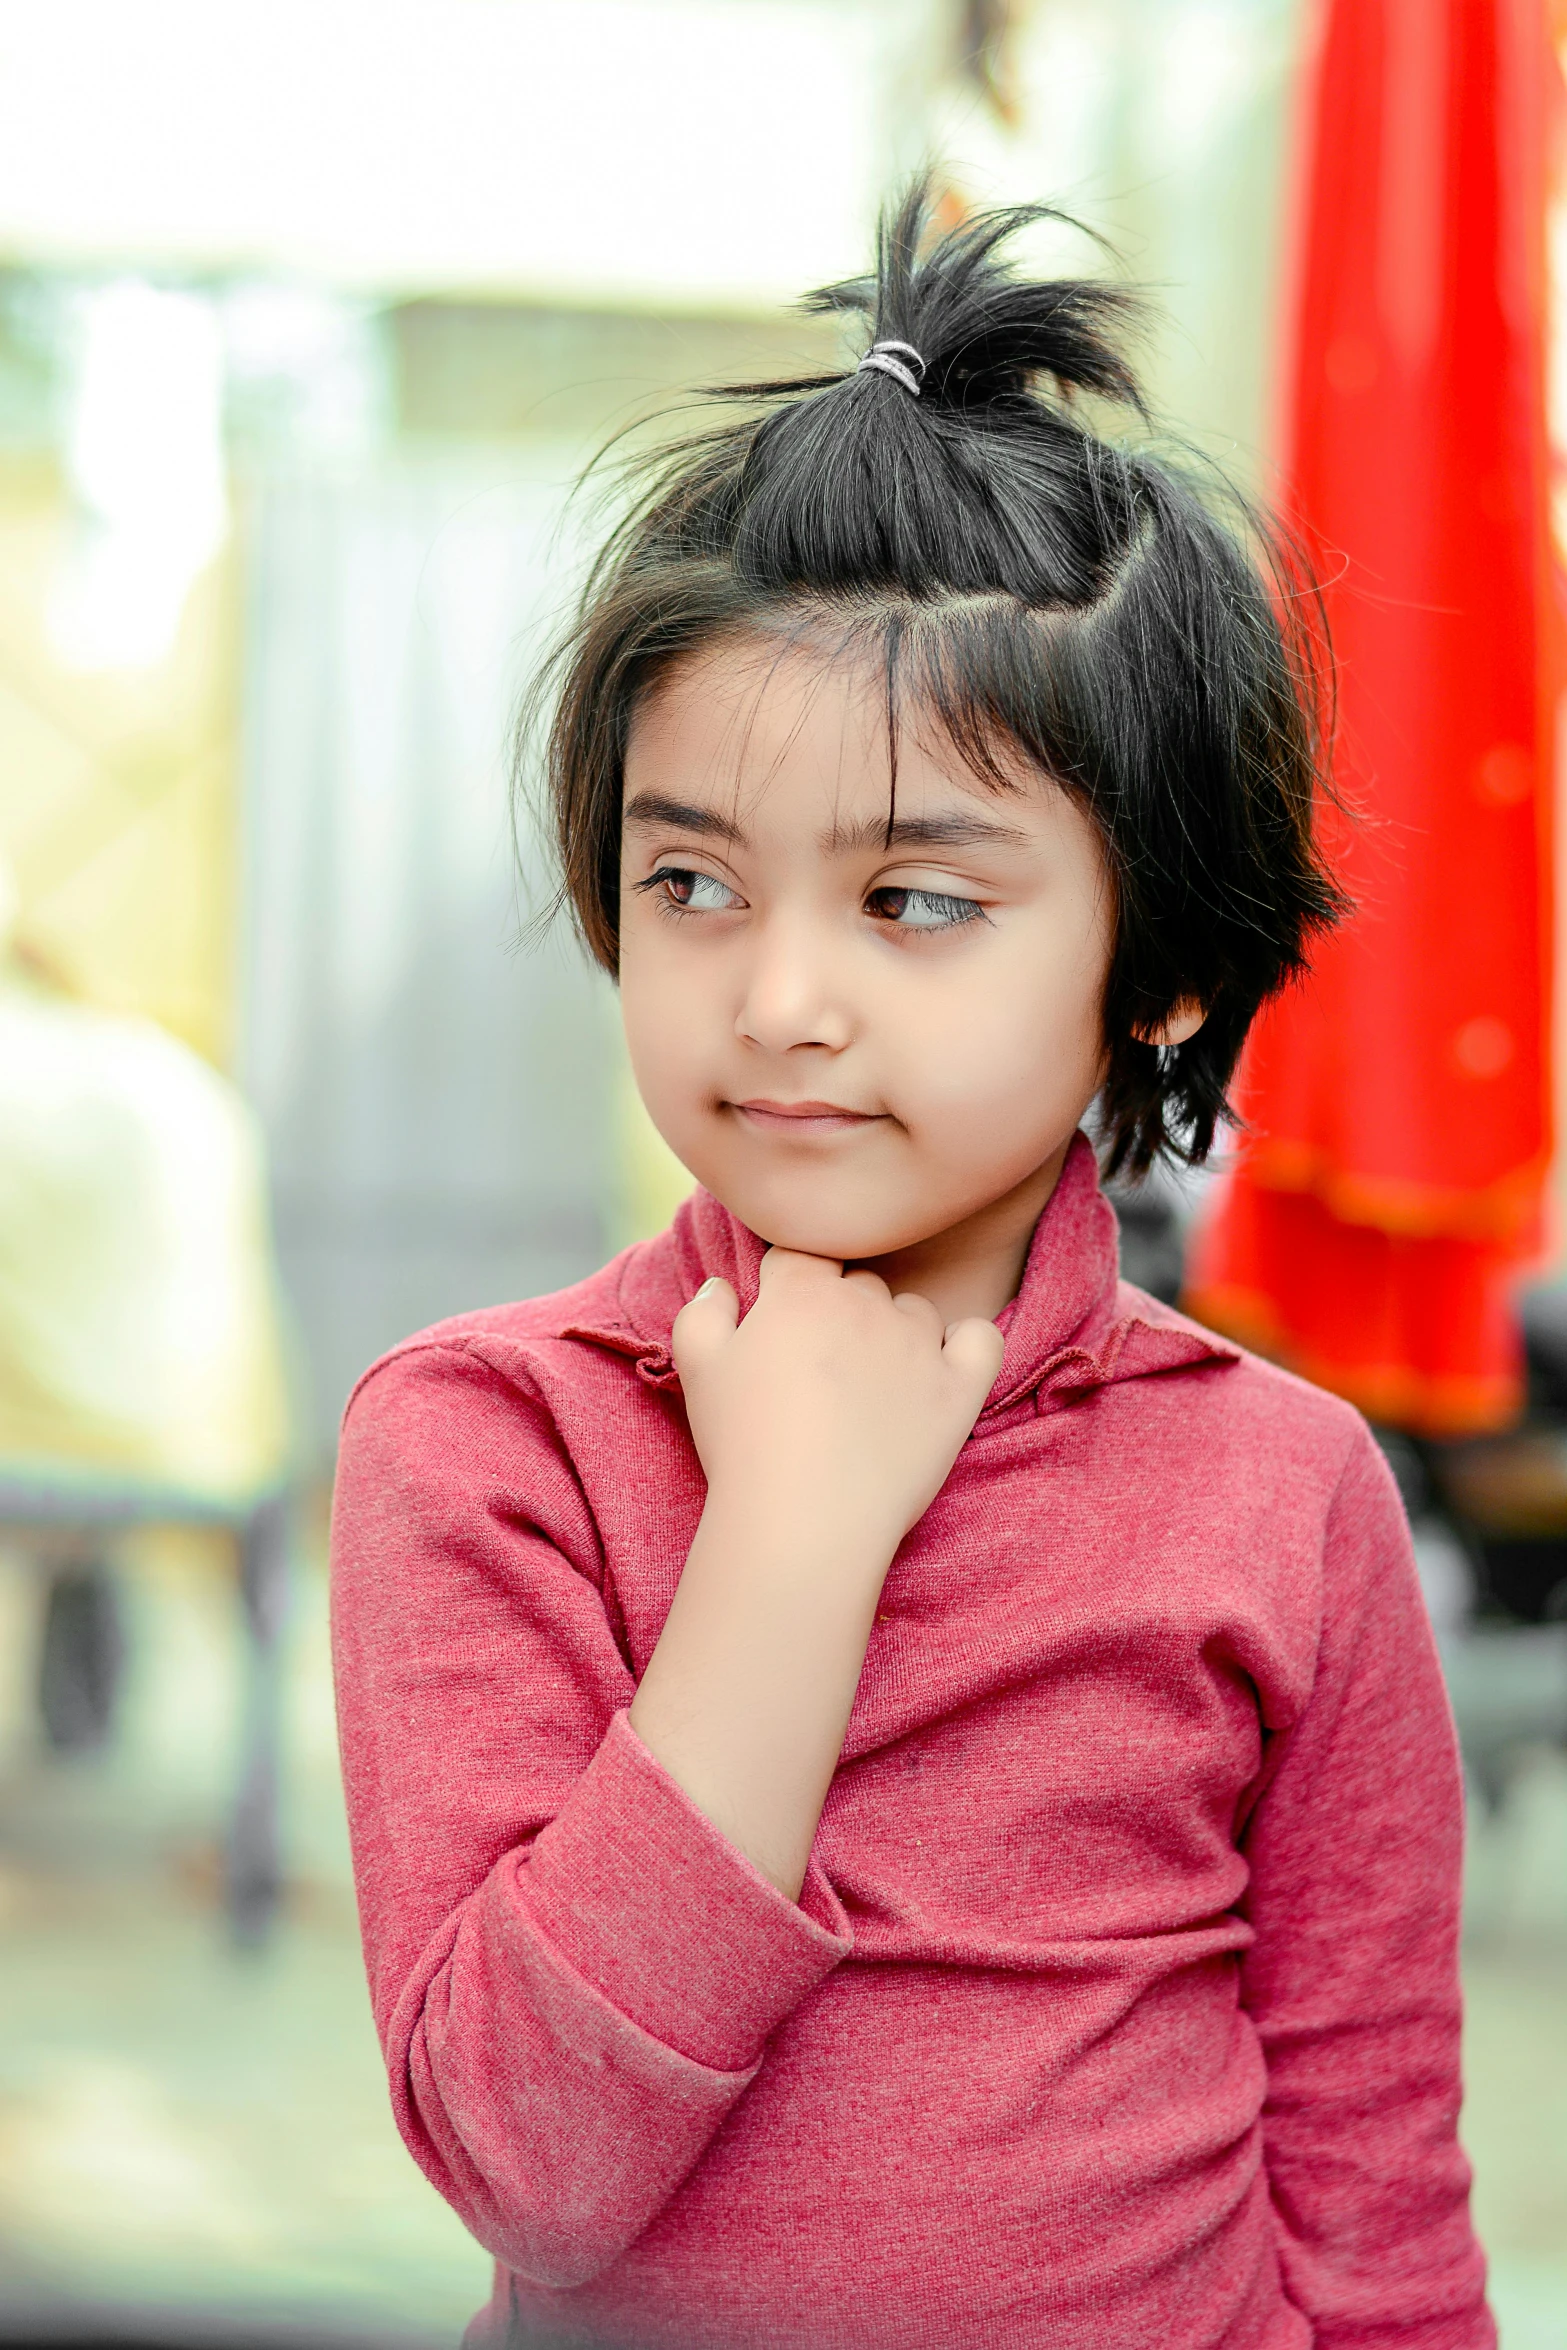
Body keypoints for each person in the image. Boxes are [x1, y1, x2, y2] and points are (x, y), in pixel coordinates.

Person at [330, 188, 1493, 2349]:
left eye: (916, 900)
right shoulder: (489, 1442)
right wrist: (790, 1538)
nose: (778, 997)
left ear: (1153, 963)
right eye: (693, 877)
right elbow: (527, 2157)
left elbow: (1374, 2190)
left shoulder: (1286, 1488)